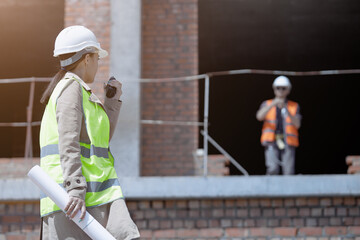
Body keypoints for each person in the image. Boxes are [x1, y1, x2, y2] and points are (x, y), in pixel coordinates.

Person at [39, 25, 140, 239]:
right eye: (97, 58)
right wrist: (75, 188)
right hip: (74, 196)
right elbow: (68, 142)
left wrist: (111, 102)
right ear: (87, 59)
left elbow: (101, 140)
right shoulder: (70, 88)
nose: (98, 64)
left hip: (97, 193)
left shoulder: (81, 92)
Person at [256, 76, 301, 175]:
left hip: (288, 141)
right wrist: (273, 104)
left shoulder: (294, 106)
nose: (281, 90)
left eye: (283, 88)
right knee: (272, 168)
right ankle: (271, 190)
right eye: (278, 88)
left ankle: (289, 189)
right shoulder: (267, 103)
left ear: (288, 90)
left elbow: (297, 124)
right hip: (271, 140)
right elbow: (259, 116)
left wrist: (286, 109)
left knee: (288, 170)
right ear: (274, 89)